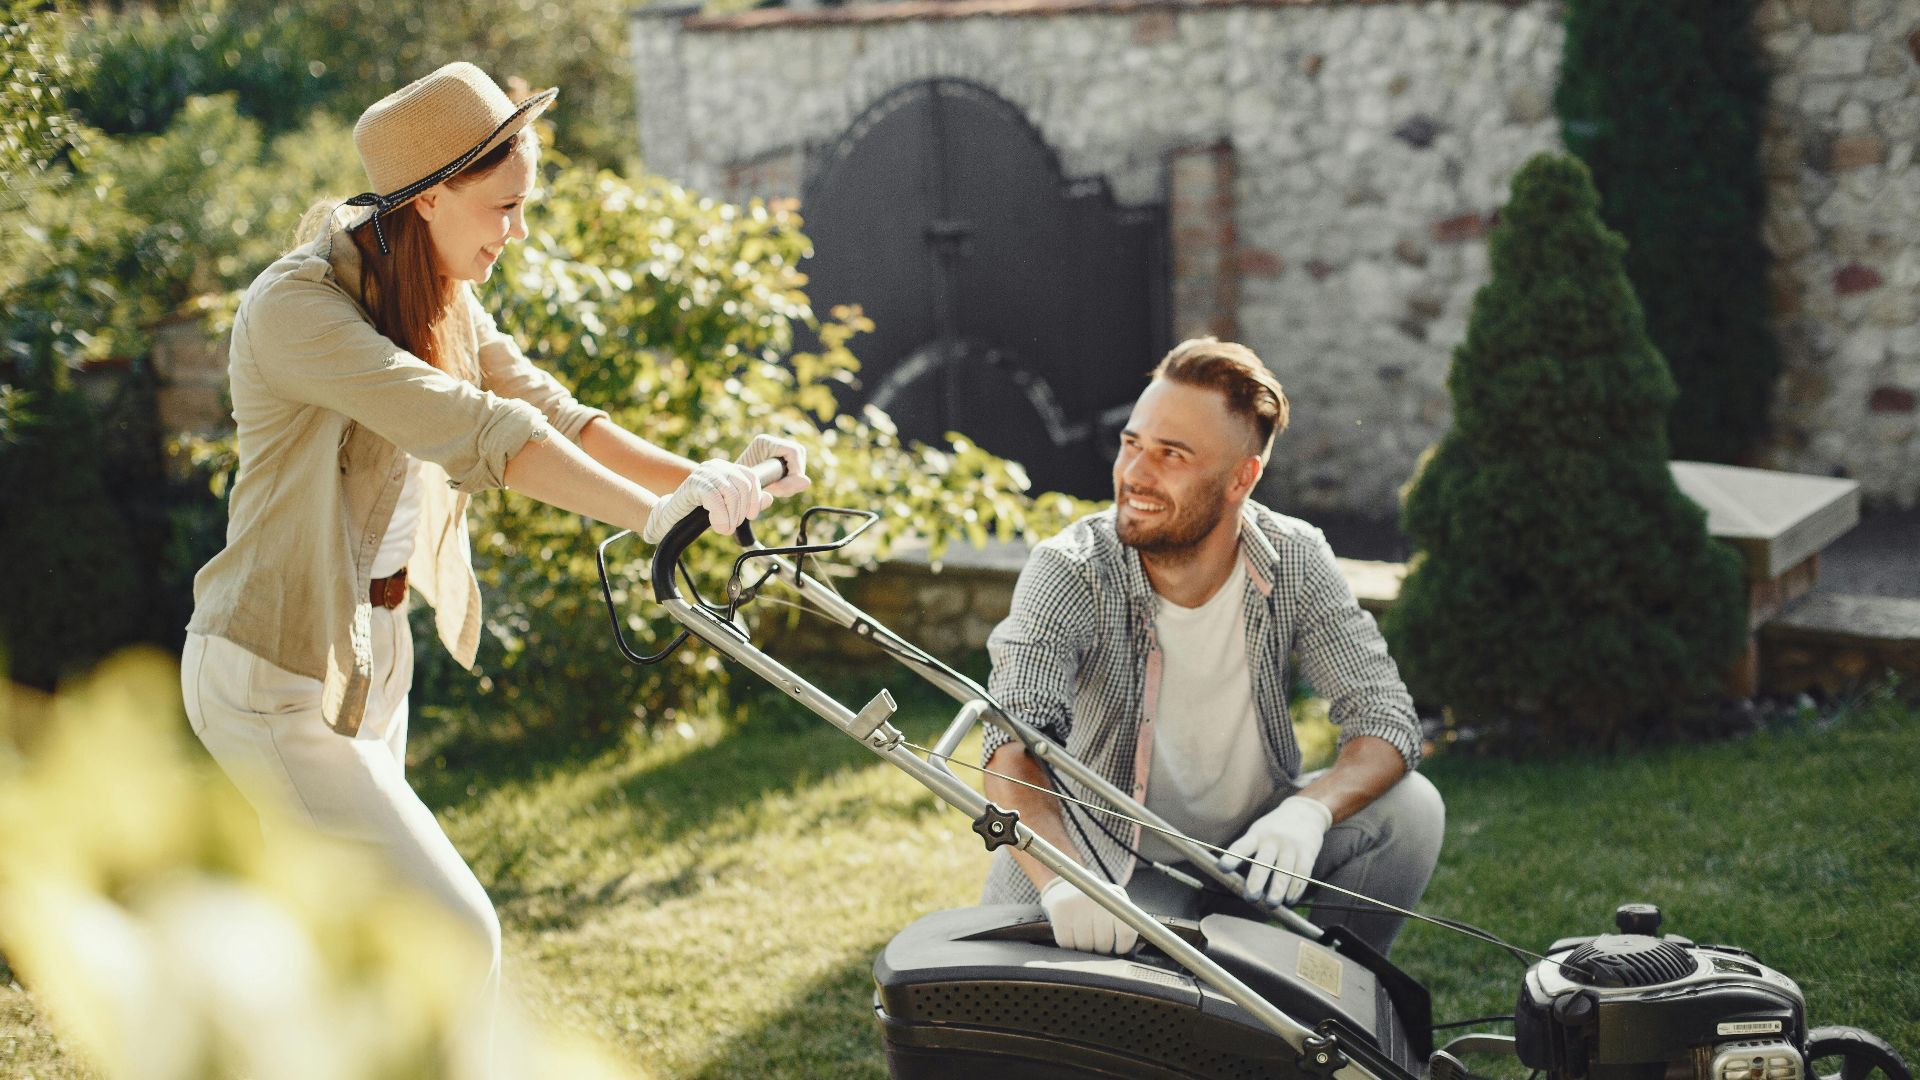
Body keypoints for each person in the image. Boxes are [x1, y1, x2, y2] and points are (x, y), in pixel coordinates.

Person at [177, 61, 807, 1055]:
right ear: (429, 197)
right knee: (455, 937)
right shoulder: (295, 308)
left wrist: (712, 482)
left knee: (351, 962)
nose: (516, 231)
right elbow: (478, 427)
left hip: (376, 660)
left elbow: (559, 415)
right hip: (274, 672)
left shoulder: (439, 297)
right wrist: (654, 519)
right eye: (504, 207)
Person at [979, 337, 1442, 958]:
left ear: (1240, 479)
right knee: (1112, 1032)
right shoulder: (1071, 569)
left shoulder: (1295, 557)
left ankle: (1332, 1003)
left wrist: (1308, 812)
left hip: (1250, 848)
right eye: (1132, 444)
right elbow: (1011, 746)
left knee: (1409, 811)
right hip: (1106, 859)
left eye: (1172, 455)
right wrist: (1067, 882)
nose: (1136, 474)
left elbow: (1385, 718)